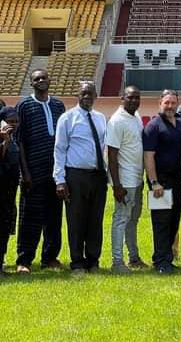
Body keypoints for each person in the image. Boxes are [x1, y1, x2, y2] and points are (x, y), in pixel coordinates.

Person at [15, 68, 65, 274]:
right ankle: (24, 260)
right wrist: (25, 173)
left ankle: (50, 257)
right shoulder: (24, 106)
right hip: (33, 172)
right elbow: (19, 141)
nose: (41, 81)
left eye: (44, 77)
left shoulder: (58, 105)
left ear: (49, 80)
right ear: (31, 83)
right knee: (30, 217)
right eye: (37, 79)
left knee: (54, 217)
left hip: (55, 172)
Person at [54, 82, 107, 274]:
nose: (87, 96)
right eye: (83, 93)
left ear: (96, 95)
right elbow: (59, 149)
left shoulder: (101, 118)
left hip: (98, 175)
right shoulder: (67, 118)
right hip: (76, 175)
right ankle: (77, 262)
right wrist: (60, 180)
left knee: (96, 220)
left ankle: (93, 261)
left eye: (90, 93)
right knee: (76, 219)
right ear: (78, 95)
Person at [143, 89, 181, 274]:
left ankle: (167, 257)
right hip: (160, 182)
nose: (170, 106)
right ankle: (161, 261)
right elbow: (148, 156)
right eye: (166, 103)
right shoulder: (153, 126)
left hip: (178, 182)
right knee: (161, 222)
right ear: (160, 103)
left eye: (173, 103)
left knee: (174, 221)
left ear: (178, 104)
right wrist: (154, 182)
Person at [106, 85, 147, 273]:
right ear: (122, 98)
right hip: (125, 181)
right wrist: (117, 185)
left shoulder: (135, 116)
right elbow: (112, 155)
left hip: (137, 179)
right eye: (130, 97)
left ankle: (134, 258)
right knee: (121, 219)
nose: (134, 101)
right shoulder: (117, 121)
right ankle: (117, 262)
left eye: (137, 97)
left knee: (133, 220)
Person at [0, 107, 19, 273]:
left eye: (16, 121)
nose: (13, 124)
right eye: (10, 121)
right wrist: (4, 141)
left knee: (6, 225)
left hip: (10, 190)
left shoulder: (16, 139)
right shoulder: (3, 138)